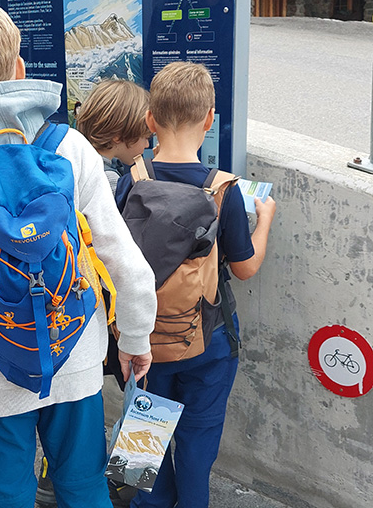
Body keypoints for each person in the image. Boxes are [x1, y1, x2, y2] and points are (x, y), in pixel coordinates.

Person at [0, 0, 157, 508]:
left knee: (5, 496)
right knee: (84, 488)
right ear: (19, 68)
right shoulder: (71, 149)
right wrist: (134, 337)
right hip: (75, 359)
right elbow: (123, 260)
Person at [115, 61, 276, 508]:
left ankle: (146, 502)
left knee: (143, 437)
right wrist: (264, 221)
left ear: (150, 120)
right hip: (208, 341)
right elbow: (244, 267)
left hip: (143, 337)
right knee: (197, 441)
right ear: (209, 119)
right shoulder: (224, 190)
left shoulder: (131, 181)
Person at [76, 79, 151, 194]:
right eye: (145, 137)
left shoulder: (80, 163)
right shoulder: (109, 181)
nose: (147, 145)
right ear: (118, 136)